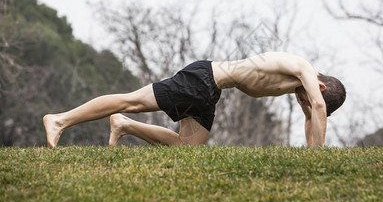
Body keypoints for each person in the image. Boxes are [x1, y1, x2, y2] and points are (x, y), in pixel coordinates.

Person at [43, 52, 346, 148]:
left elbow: (313, 116)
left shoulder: (303, 88)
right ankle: (60, 120)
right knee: (130, 100)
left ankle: (123, 126)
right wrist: (319, 147)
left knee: (187, 148)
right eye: (308, 103)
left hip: (209, 92)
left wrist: (313, 157)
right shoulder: (303, 68)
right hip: (202, 80)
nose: (304, 107)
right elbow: (317, 108)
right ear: (318, 88)